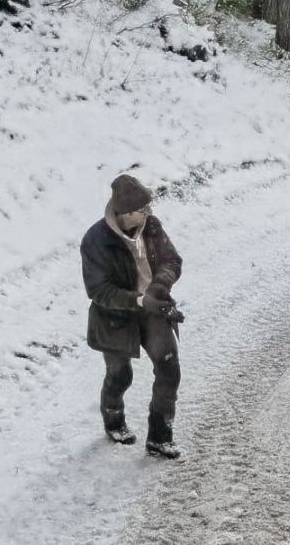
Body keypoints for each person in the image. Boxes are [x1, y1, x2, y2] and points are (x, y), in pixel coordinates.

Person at [80, 174, 184, 458]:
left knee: (169, 368)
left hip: (152, 310)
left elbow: (172, 260)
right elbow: (98, 290)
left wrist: (159, 287)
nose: (148, 213)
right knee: (120, 375)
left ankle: (159, 438)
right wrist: (137, 299)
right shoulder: (95, 241)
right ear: (125, 213)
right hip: (115, 318)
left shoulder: (152, 226)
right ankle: (114, 419)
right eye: (143, 209)